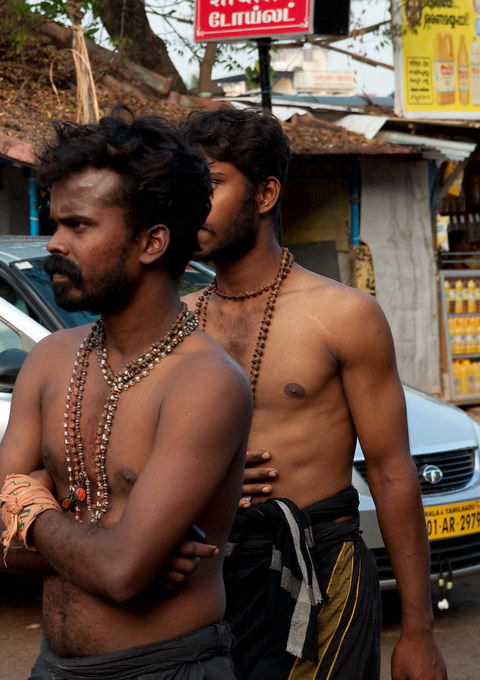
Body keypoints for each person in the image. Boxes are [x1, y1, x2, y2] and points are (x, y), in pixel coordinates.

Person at [0, 110, 252, 679]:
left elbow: (123, 573)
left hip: (167, 669)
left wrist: (31, 509)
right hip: (54, 666)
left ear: (151, 242)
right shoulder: (51, 359)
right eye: (56, 223)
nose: (54, 242)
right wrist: (107, 552)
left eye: (78, 225)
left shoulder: (206, 382)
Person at [180, 106, 447, 680]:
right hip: (210, 569)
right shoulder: (177, 321)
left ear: (265, 193)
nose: (192, 203)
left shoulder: (344, 314)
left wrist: (418, 631)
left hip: (324, 568)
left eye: (212, 183)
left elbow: (391, 471)